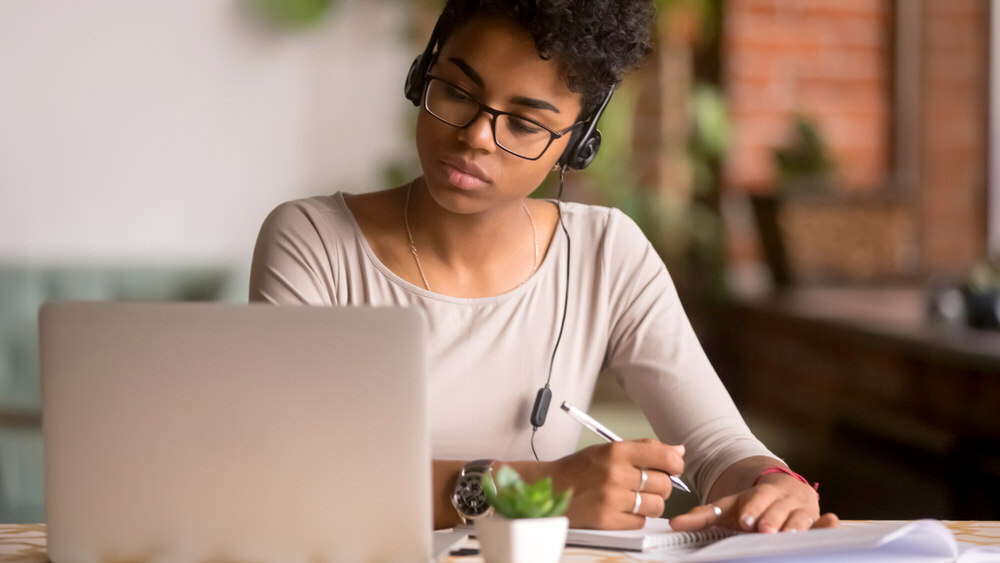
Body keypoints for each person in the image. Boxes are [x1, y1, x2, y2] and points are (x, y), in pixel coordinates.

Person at [249, 0, 839, 533]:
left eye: (525, 124)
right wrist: (531, 490)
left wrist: (773, 486)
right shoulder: (314, 242)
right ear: (420, 76)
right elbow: (289, 474)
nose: (477, 136)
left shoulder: (607, 253)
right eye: (456, 91)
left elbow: (715, 447)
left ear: (575, 143)